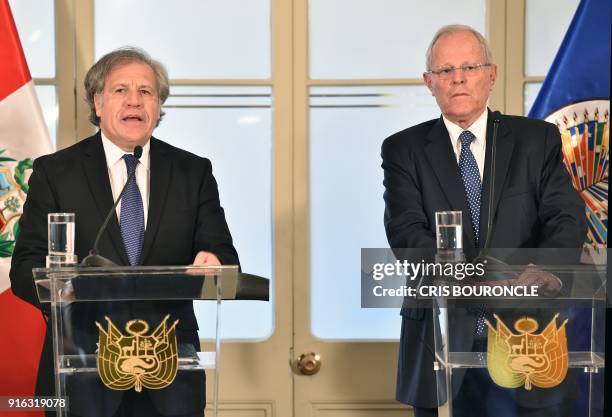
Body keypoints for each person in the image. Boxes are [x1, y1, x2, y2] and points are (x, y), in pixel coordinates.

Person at [10, 47, 239, 417]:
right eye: (121, 90)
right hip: (81, 370)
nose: (135, 101)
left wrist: (212, 260)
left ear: (158, 106)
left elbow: (223, 256)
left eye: (146, 92)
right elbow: (24, 269)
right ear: (97, 103)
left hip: (170, 374)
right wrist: (61, 287)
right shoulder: (56, 172)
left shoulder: (192, 172)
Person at [381, 25, 585, 417]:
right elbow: (406, 233)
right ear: (429, 82)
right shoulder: (402, 150)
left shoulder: (536, 140)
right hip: (440, 338)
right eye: (445, 70)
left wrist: (542, 270)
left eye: (469, 67)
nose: (457, 78)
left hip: (527, 341)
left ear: (490, 76)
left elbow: (566, 216)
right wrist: (470, 279)